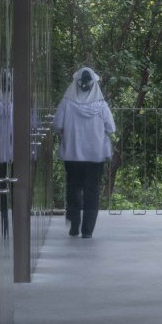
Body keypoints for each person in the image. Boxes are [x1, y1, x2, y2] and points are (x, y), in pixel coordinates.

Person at [53, 67, 115, 240]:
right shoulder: (101, 106)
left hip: (72, 155)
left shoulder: (67, 103)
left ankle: (74, 226)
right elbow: (111, 128)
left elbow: (57, 125)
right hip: (95, 157)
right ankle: (87, 230)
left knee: (73, 189)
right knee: (92, 192)